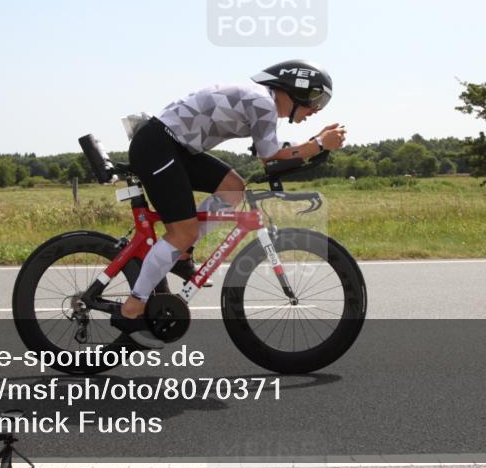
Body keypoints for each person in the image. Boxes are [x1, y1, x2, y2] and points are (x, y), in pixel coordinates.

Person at [110, 60, 347, 348]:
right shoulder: (263, 103)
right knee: (181, 232)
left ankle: (182, 251)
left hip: (176, 146)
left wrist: (315, 143)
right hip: (159, 146)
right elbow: (271, 157)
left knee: (233, 189)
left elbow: (275, 155)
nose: (316, 110)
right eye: (316, 100)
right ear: (297, 90)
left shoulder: (263, 103)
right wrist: (319, 144)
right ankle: (133, 306)